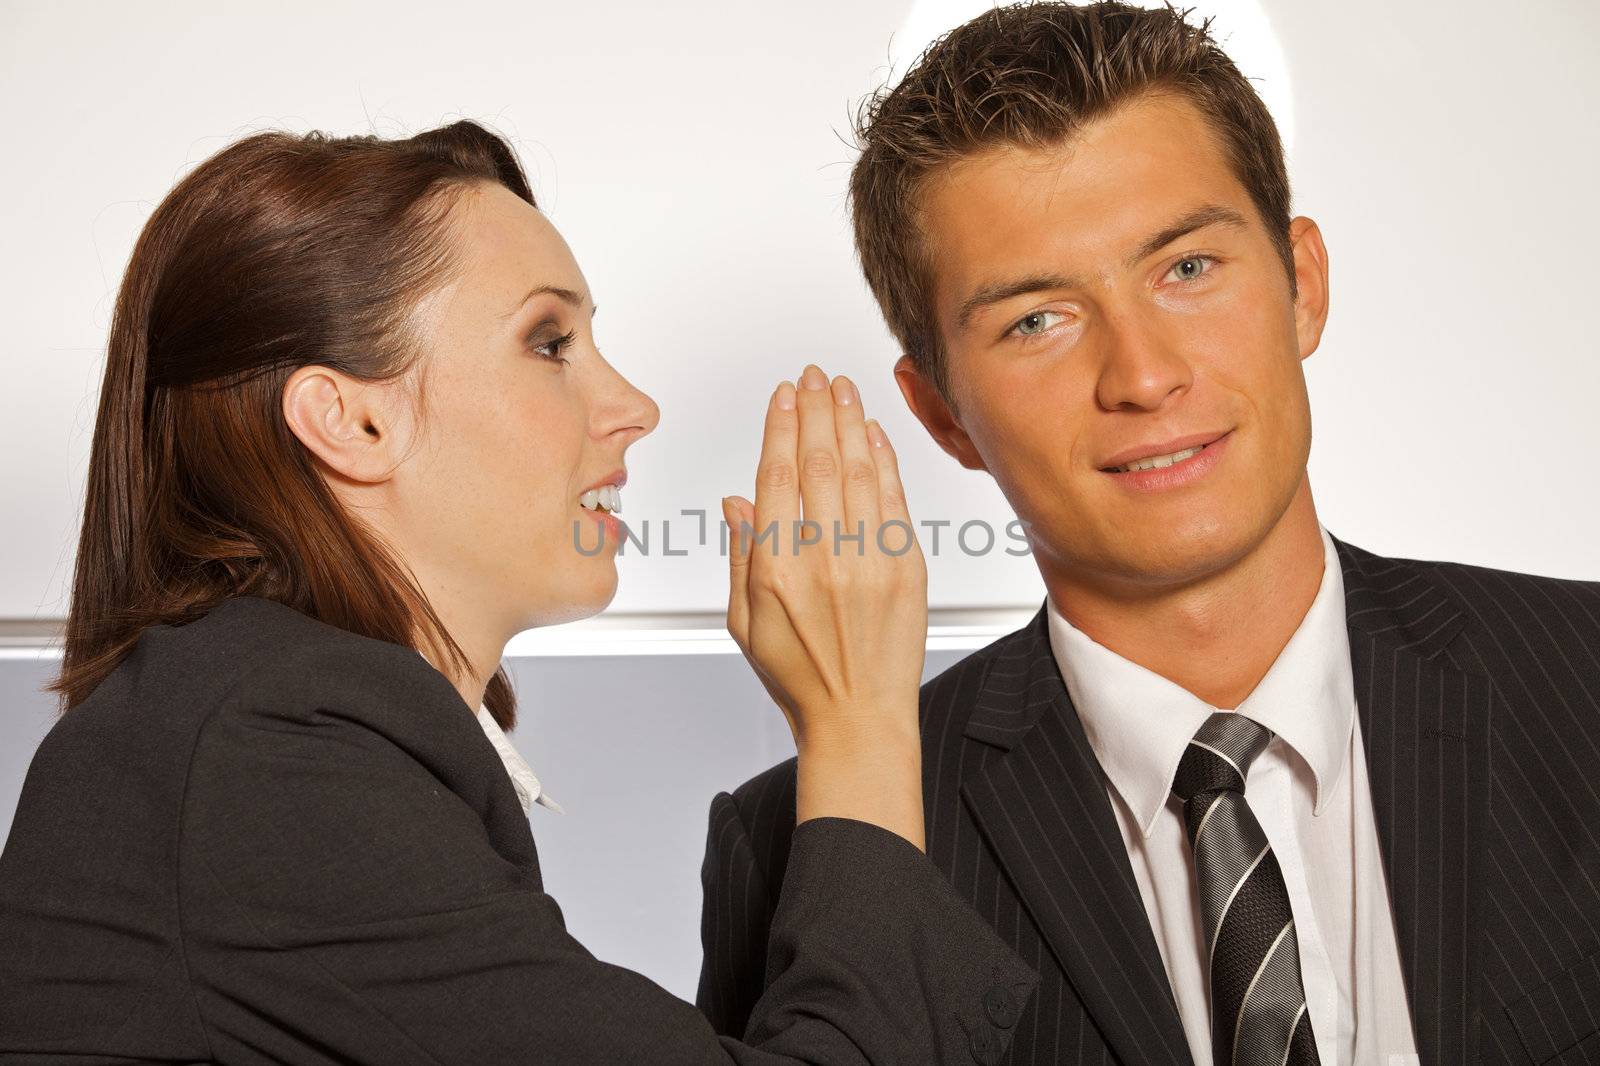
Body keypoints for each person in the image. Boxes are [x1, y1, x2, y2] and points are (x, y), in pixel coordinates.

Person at [0, 120, 1038, 1064]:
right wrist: (858, 723)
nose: (632, 405)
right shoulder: (269, 747)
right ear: (350, 421)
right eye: (549, 344)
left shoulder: (262, 724)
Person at [695, 4, 1600, 1066]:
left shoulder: (1578, 681)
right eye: (1037, 319)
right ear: (941, 413)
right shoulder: (817, 845)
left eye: (1187, 269)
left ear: (1301, 284)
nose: (1142, 374)